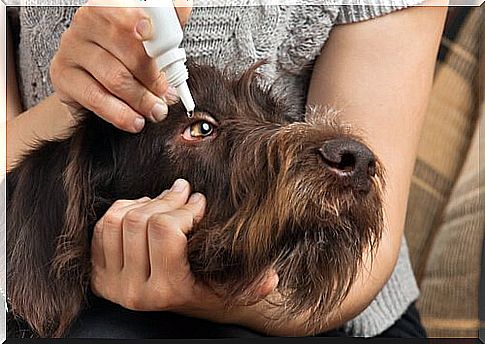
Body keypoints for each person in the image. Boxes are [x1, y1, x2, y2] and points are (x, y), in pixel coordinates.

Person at [6, 0, 448, 337]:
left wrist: (212, 295)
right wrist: (79, 99)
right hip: (52, 269)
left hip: (321, 307)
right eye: (200, 128)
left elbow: (364, 262)